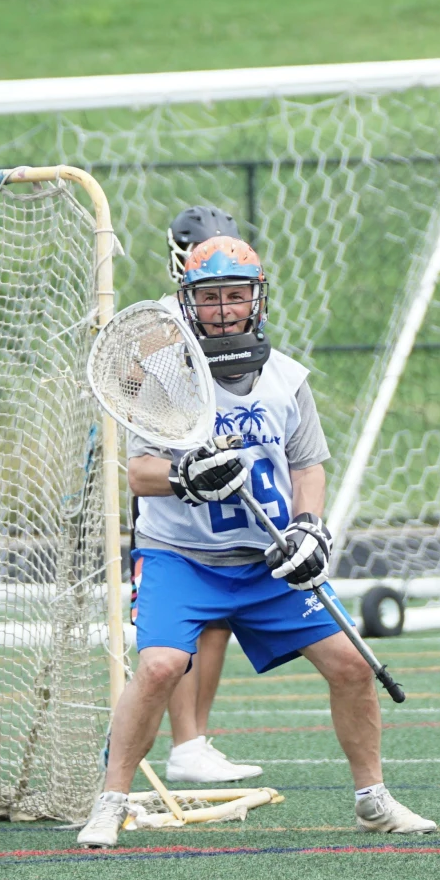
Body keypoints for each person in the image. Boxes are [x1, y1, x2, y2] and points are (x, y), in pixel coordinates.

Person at [78, 236, 435, 847]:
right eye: (209, 297)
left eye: (234, 296)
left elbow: (308, 464)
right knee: (161, 666)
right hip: (182, 559)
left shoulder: (287, 379)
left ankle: (372, 799)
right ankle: (110, 802)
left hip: (266, 561)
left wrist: (309, 526)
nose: (222, 309)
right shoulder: (166, 381)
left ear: (256, 299)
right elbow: (138, 473)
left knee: (352, 665)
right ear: (189, 304)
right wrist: (185, 475)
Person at [151, 206, 262, 788]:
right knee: (175, 631)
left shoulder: (221, 311)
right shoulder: (162, 324)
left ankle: (193, 739)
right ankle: (175, 742)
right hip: (166, 487)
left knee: (215, 621)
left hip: (212, 484)